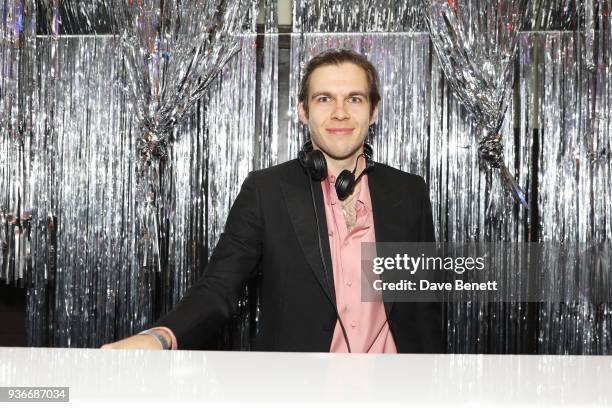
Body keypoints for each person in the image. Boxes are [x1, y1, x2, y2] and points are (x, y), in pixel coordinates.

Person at [102, 48, 445, 353]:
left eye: (354, 99)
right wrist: (163, 336)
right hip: (299, 389)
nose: (340, 112)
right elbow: (219, 287)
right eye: (324, 99)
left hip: (396, 388)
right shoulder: (266, 190)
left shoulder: (409, 191)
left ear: (373, 112)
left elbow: (422, 308)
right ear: (302, 111)